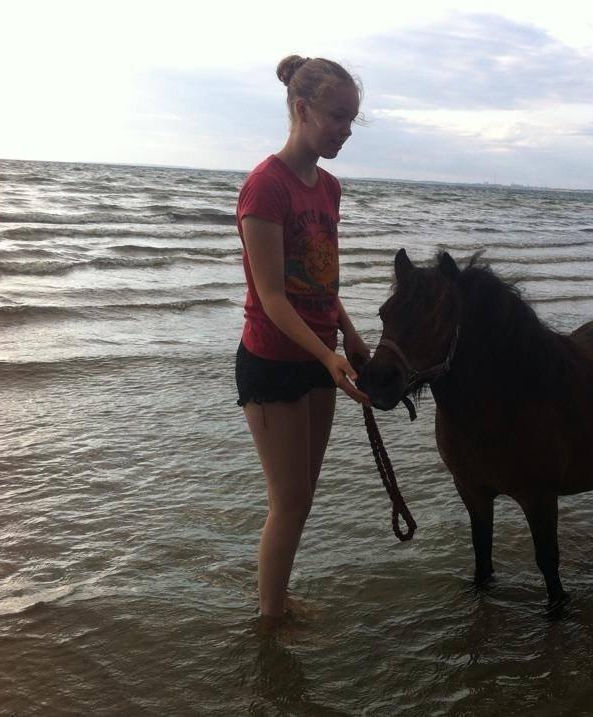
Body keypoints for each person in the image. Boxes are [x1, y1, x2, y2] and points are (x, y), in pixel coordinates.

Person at [234, 54, 370, 624]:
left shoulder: (330, 188)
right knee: (288, 502)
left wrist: (350, 337)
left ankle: (277, 603)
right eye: (336, 117)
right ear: (301, 108)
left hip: (321, 358)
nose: (344, 131)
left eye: (351, 121)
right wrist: (326, 354)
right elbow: (272, 296)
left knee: (302, 500)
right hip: (274, 360)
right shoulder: (266, 187)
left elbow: (320, 281)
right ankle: (269, 619)